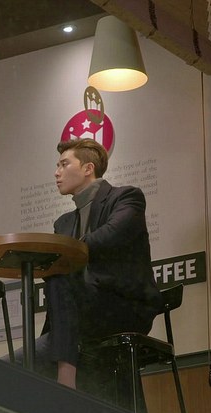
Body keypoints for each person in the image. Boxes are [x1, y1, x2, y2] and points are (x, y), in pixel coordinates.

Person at [31, 137, 162, 389]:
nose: (56, 172)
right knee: (17, 363)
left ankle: (65, 376)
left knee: (61, 275)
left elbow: (111, 235)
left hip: (122, 306)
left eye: (64, 164)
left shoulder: (126, 198)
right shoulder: (63, 223)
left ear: (88, 168)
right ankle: (59, 354)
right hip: (83, 314)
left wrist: (67, 252)